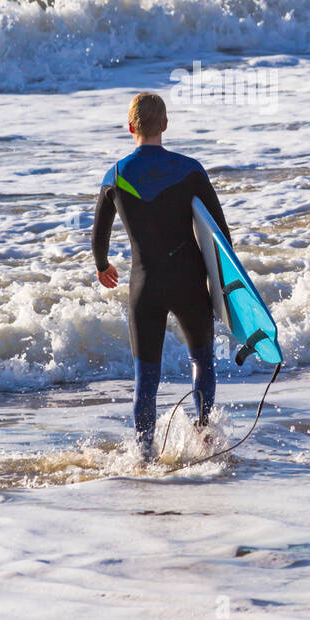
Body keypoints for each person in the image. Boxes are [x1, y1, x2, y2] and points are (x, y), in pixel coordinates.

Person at [91, 92, 231, 460]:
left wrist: (103, 266)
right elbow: (221, 235)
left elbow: (98, 237)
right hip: (189, 284)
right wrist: (225, 287)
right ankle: (203, 437)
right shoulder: (190, 170)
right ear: (165, 125)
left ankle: (143, 456)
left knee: (146, 380)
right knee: (201, 360)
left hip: (144, 288)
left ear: (130, 127)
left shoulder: (115, 176)